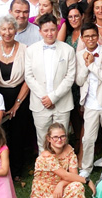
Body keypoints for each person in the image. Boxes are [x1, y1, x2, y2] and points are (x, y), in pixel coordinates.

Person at [0, 15, 34, 177]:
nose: (7, 32)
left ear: (16, 30)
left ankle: (16, 171)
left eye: (10, 28)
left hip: (20, 96)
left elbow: (28, 79)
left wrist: (17, 103)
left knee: (18, 134)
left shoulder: (25, 49)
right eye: (4, 29)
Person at [23, 13, 77, 153]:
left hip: (62, 102)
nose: (49, 33)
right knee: (43, 139)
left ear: (57, 29)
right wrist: (44, 97)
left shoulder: (68, 50)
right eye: (46, 30)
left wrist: (53, 97)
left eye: (52, 29)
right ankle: (46, 171)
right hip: (40, 103)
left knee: (62, 139)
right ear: (40, 31)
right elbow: (29, 76)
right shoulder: (31, 50)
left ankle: (63, 170)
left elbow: (70, 77)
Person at [19, 122, 90, 198]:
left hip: (60, 186)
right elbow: (66, 175)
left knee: (77, 186)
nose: (59, 140)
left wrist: (61, 184)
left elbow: (73, 174)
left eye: (62, 136)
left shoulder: (69, 149)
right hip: (45, 192)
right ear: (49, 138)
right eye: (55, 137)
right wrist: (87, 181)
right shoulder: (46, 156)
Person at [75, 25, 102, 173]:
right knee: (87, 138)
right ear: (82, 38)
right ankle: (86, 167)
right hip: (90, 103)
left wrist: (92, 65)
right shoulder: (79, 55)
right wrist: (87, 65)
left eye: (93, 35)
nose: (91, 39)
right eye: (87, 36)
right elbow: (79, 81)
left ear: (97, 36)